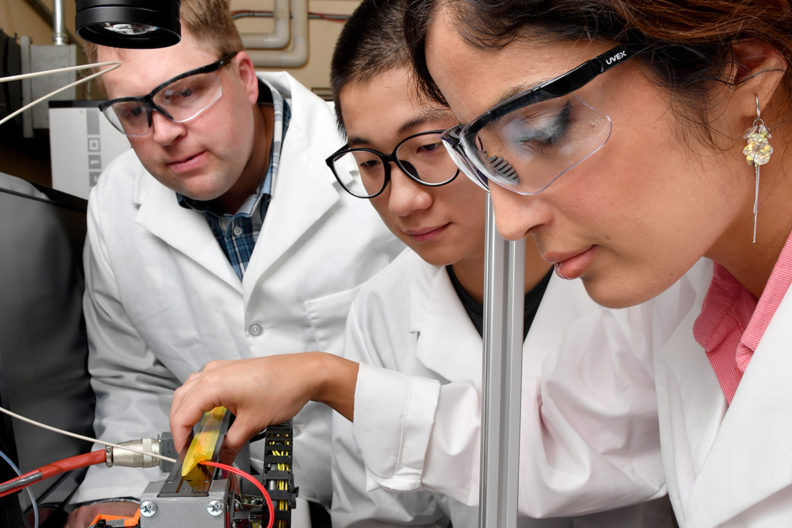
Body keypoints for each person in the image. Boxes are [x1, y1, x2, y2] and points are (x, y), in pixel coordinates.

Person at [170, 1, 711, 525]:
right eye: (368, 162)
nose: (403, 201)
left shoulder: (650, 268)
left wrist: (328, 379)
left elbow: (580, 456)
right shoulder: (379, 310)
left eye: (430, 147)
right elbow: (380, 516)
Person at [402, 0, 792, 526]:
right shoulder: (688, 287)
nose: (509, 224)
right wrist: (328, 380)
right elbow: (560, 441)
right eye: (490, 162)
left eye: (541, 130)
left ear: (743, 68)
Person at [64, 0, 404, 526]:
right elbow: (136, 382)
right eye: (133, 111)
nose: (163, 132)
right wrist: (122, 495)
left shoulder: (374, 165)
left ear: (244, 76)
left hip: (394, 500)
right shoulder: (114, 205)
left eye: (183, 93)